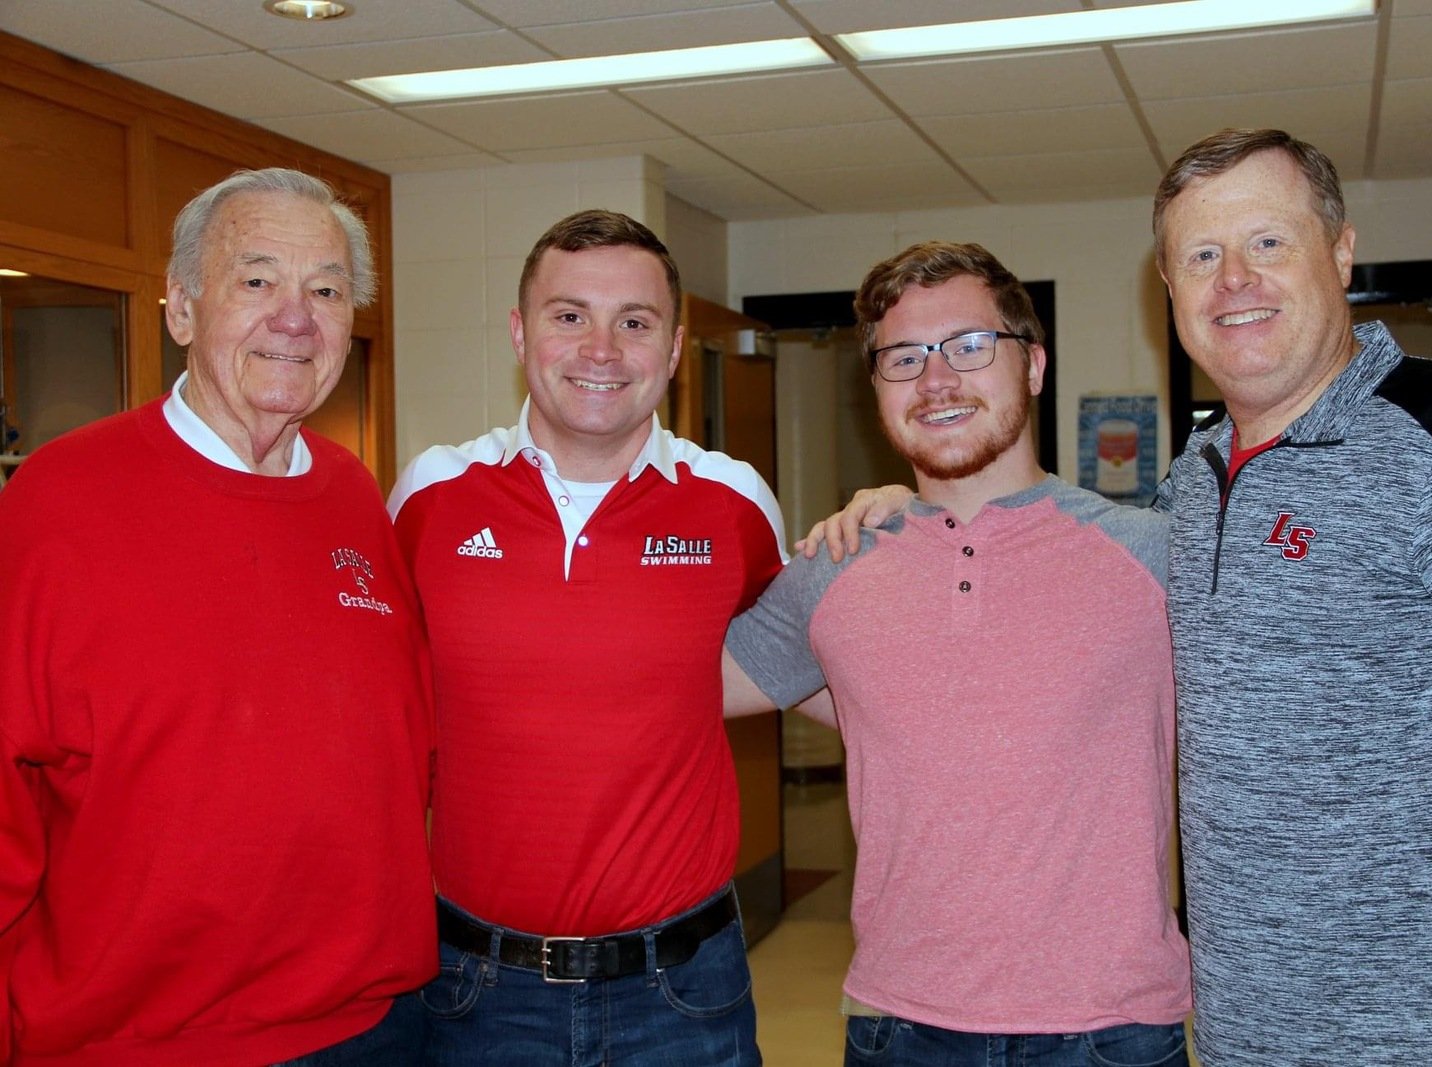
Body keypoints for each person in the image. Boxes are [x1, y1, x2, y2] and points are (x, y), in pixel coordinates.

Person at [1153, 128, 1432, 1065]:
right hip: (1245, 1038)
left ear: (1341, 251)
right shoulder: (1190, 482)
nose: (1234, 279)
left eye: (1268, 241)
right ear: (1169, 286)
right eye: (1201, 255)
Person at [0, 169, 436, 1065]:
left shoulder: (355, 497)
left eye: (326, 290)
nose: (295, 317)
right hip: (142, 1041)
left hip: (372, 1027)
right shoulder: (58, 500)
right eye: (257, 279)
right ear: (181, 309)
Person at [722, 241, 1190, 1066]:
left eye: (969, 346)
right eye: (904, 357)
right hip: (900, 1026)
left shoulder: (1154, 555)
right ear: (877, 388)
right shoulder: (836, 565)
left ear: (1033, 365)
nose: (936, 379)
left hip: (1111, 1029)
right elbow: (669, 685)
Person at [388, 209, 784, 1065]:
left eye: (634, 322)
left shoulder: (735, 502)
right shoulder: (429, 495)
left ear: (672, 350)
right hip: (477, 990)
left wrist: (893, 518)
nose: (600, 349)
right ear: (519, 333)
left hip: (683, 992)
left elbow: (808, 654)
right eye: (569, 315)